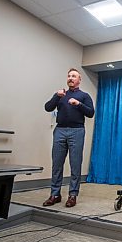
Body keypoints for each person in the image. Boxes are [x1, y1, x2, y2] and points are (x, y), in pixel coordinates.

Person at [43, 68, 95, 208]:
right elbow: (47, 107)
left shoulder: (84, 95)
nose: (71, 78)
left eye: (74, 76)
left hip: (77, 131)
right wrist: (56, 97)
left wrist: (78, 104)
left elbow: (90, 113)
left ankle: (73, 195)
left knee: (75, 164)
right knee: (57, 164)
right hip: (60, 130)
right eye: (69, 76)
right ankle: (55, 194)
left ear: (79, 80)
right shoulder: (60, 95)